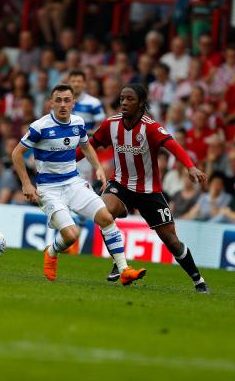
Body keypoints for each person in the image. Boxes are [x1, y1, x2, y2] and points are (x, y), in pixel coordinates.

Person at [77, 83, 210, 293]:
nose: (124, 103)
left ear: (141, 104)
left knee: (171, 240)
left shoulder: (151, 126)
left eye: (130, 99)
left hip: (150, 192)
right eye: (122, 98)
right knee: (103, 212)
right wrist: (64, 164)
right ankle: (119, 263)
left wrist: (190, 167)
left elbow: (172, 145)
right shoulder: (111, 124)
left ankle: (198, 280)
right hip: (120, 185)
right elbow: (89, 146)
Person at [12, 84, 146, 285]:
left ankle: (124, 269)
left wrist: (98, 168)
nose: (63, 105)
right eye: (58, 100)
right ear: (51, 103)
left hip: (74, 183)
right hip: (49, 190)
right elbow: (16, 154)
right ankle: (52, 251)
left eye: (67, 100)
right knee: (71, 235)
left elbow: (86, 146)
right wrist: (26, 184)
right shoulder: (40, 127)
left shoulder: (78, 123)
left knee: (106, 217)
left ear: (74, 103)